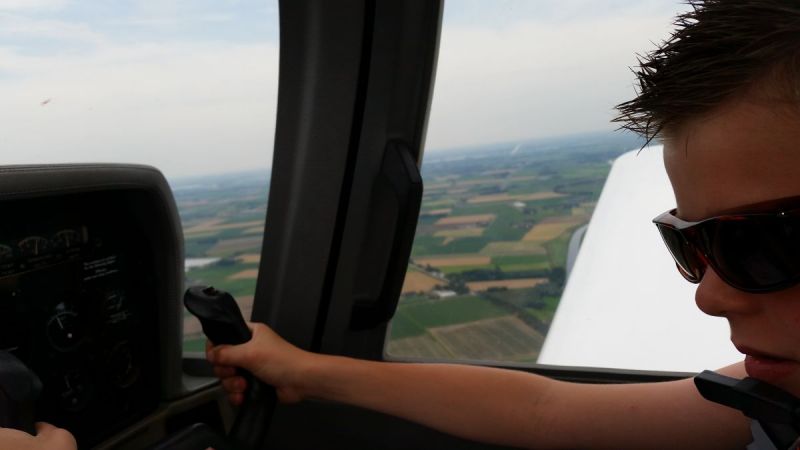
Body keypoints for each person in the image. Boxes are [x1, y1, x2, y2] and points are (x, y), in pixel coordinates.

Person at [198, 0, 800, 448]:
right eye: (691, 243)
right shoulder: (778, 408)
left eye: (762, 243)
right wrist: (301, 372)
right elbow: (545, 411)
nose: (710, 297)